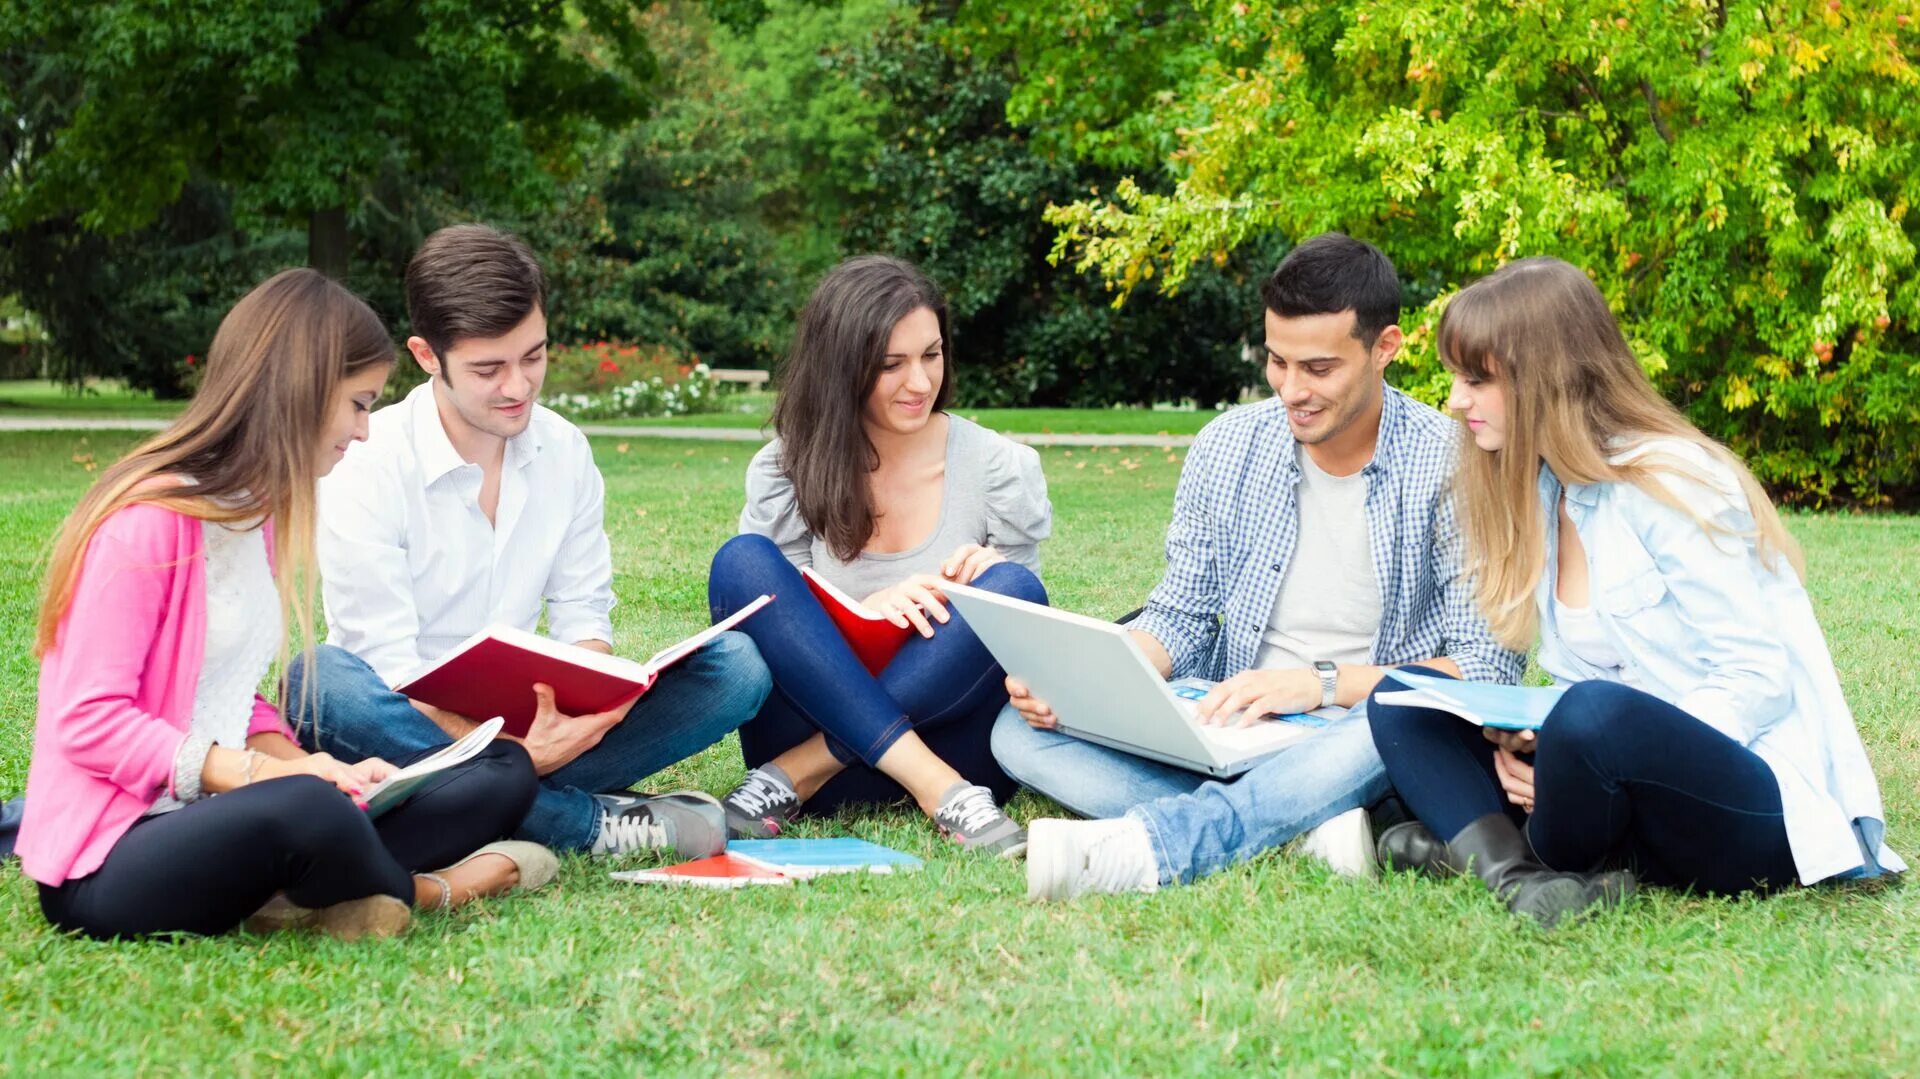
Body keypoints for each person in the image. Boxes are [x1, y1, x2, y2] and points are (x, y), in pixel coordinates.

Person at [1367, 256, 1905, 928]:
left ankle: (1477, 848)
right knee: (1399, 696)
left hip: (1751, 799)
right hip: (1605, 781)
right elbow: (1577, 682)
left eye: (1477, 379)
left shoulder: (1671, 479)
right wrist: (1534, 741)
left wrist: (1576, 754)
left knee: (1594, 717)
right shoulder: (1544, 490)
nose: (1454, 400)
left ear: (1545, 377)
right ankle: (1521, 877)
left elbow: (1758, 677)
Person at [17, 269, 548, 941]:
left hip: (231, 811)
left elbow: (234, 697)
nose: (363, 431)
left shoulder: (253, 515)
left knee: (502, 771)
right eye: (357, 403)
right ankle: (420, 888)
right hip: (115, 857)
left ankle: (314, 883)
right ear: (300, 389)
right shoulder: (147, 520)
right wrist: (266, 776)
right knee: (304, 807)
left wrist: (312, 767)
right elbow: (89, 720)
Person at [996, 233, 1526, 898]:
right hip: (1232, 724)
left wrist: (1319, 684)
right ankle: (1302, 829)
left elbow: (1487, 668)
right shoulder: (1227, 445)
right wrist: (1086, 680)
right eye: (1278, 361)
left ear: (1384, 347)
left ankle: (1161, 845)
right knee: (1017, 729)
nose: (1292, 389)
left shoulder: (1454, 464)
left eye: (1319, 368)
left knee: (1392, 718)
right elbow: (1181, 615)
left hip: (1363, 727)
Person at [288, 224, 771, 859]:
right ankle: (586, 824)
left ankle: (495, 804)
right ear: (427, 355)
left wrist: (588, 706)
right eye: (489, 368)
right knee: (319, 682)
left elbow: (582, 614)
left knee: (737, 668)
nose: (518, 387)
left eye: (533, 357)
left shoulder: (564, 449)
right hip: (407, 735)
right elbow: (386, 667)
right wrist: (509, 753)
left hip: (540, 732)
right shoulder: (370, 462)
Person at [707, 255, 1050, 856]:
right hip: (815, 733)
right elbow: (779, 627)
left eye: (931, 355)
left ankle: (815, 766)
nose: (920, 383)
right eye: (891, 364)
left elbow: (1024, 649)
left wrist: (983, 587)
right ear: (841, 366)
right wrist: (873, 605)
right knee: (742, 562)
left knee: (1015, 587)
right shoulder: (786, 468)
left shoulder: (998, 467)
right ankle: (930, 787)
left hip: (944, 750)